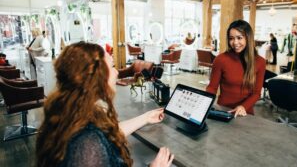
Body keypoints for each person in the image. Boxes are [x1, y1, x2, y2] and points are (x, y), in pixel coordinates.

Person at [36, 42, 174, 167]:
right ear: (97, 78)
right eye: (112, 67)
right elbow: (96, 138)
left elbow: (108, 133)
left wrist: (146, 118)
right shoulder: (87, 145)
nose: (116, 72)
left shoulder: (70, 112)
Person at [206, 20, 265, 117]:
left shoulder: (260, 62)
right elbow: (212, 87)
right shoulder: (220, 59)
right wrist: (204, 102)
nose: (235, 42)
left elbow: (256, 93)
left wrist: (243, 106)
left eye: (239, 38)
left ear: (248, 38)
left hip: (245, 113)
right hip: (223, 111)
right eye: (231, 38)